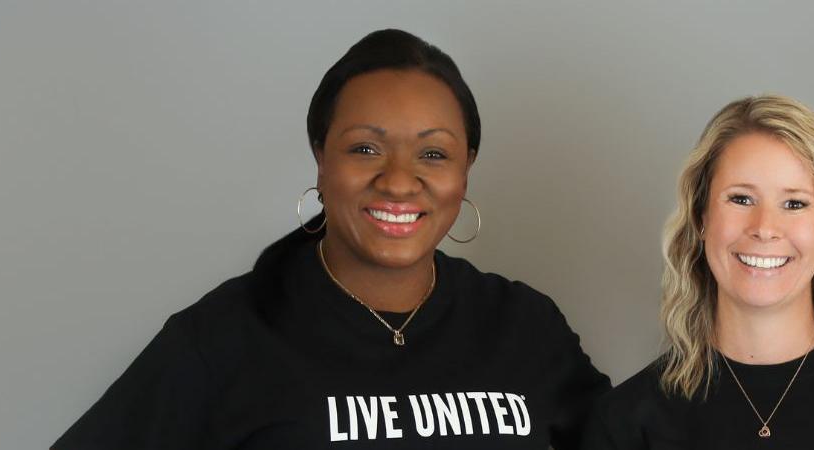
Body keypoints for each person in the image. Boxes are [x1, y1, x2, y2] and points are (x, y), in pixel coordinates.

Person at [53, 29, 610, 449]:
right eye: (365, 148)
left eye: (433, 153)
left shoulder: (525, 327)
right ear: (321, 158)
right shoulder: (224, 337)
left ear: (467, 168)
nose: (397, 180)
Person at [582, 95, 814, 449]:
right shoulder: (627, 423)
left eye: (794, 203)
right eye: (741, 198)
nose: (764, 227)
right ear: (701, 218)